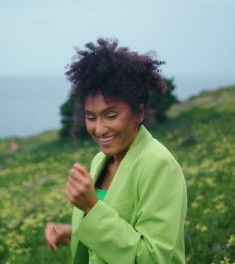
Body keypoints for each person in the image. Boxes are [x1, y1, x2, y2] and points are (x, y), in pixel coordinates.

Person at [44, 38, 187, 264]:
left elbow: (152, 256)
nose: (99, 129)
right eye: (91, 117)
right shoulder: (100, 160)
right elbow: (118, 224)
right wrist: (74, 231)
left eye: (111, 116)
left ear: (139, 113)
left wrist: (90, 208)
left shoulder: (159, 165)